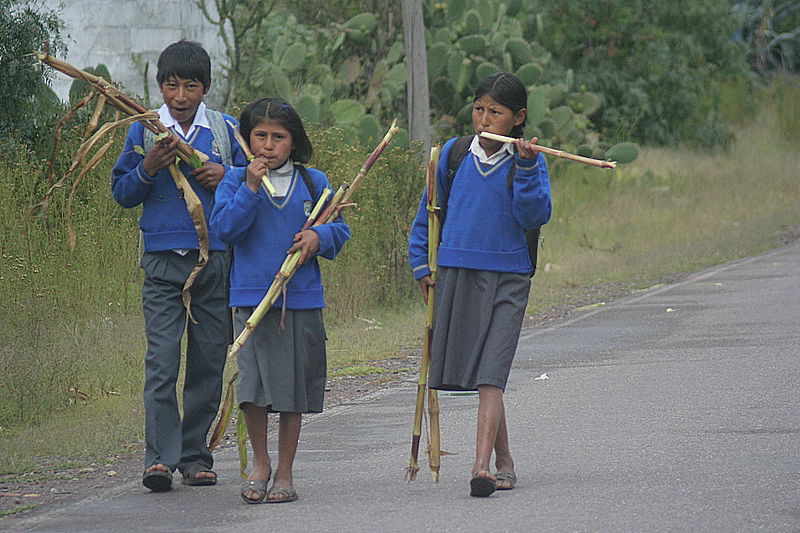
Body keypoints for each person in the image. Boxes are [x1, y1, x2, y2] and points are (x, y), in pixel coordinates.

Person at [111, 40, 247, 492]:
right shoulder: (143, 131)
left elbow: (255, 189)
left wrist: (226, 175)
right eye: (172, 86)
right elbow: (122, 193)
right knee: (162, 362)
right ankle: (158, 460)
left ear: (205, 88)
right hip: (162, 263)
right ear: (160, 86)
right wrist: (148, 168)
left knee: (208, 361)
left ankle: (195, 457)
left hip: (215, 261)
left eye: (191, 86)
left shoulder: (226, 131)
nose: (181, 96)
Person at [408, 72, 552, 497]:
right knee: (482, 371)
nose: (485, 120)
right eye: (479, 110)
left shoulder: (530, 160)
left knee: (493, 370)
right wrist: (421, 265)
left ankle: (480, 466)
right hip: (457, 271)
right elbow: (428, 214)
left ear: (518, 118)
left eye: (496, 112)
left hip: (510, 275)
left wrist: (526, 167)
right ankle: (504, 461)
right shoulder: (452, 156)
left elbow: (534, 216)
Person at [209, 97, 350, 504]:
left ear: (294, 141)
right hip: (251, 299)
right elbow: (225, 229)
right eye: (260, 136)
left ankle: (285, 471)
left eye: (278, 137)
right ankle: (261, 463)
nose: (268, 146)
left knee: (291, 390)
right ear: (247, 140)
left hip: (300, 300)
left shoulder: (314, 182)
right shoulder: (236, 180)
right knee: (252, 386)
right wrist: (251, 188)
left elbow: (339, 230)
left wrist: (318, 236)